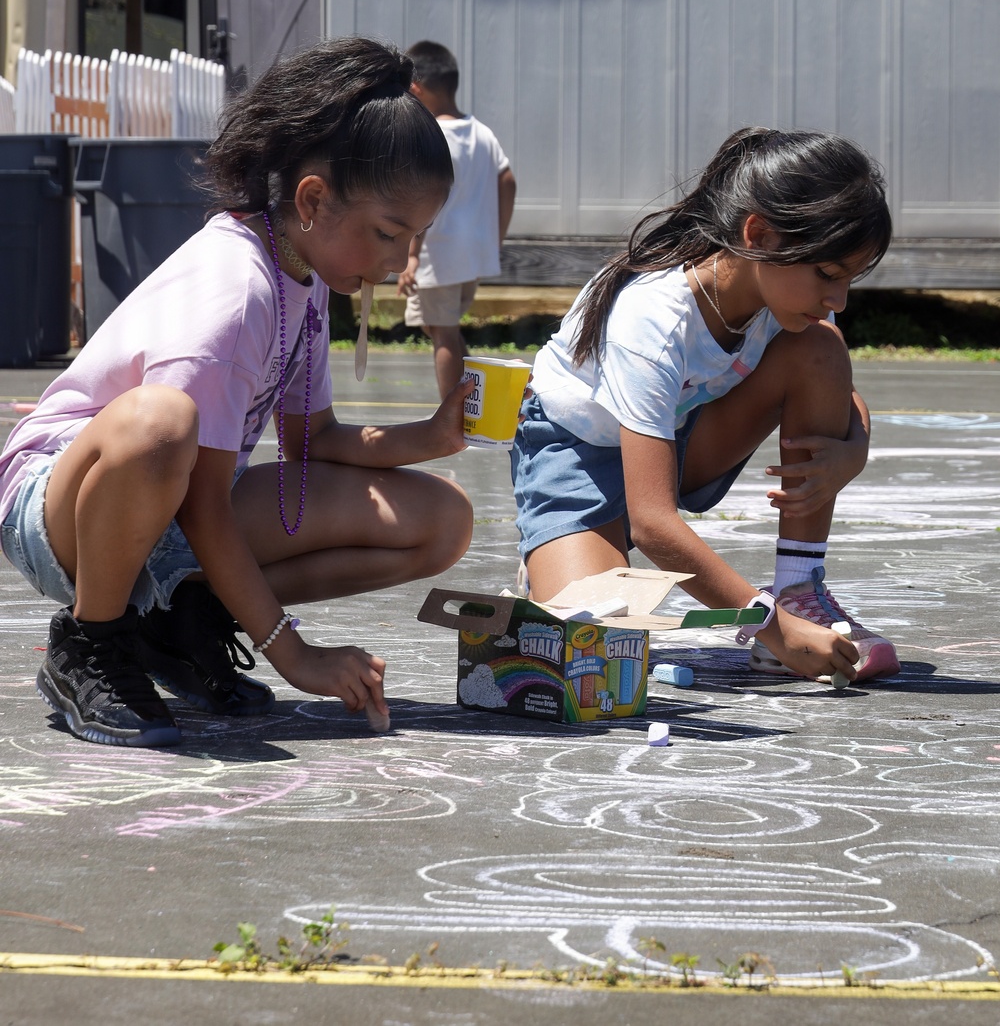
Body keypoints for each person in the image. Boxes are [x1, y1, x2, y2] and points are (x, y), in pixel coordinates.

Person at [0, 38, 475, 747]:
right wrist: (294, 653)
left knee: (442, 519)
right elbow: (203, 504)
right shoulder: (236, 292)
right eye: (386, 234)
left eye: (413, 239)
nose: (395, 262)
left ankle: (182, 620)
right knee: (161, 424)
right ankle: (92, 639)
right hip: (62, 504)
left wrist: (430, 438)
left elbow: (314, 443)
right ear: (312, 199)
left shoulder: (304, 277)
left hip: (176, 502)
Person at [512, 126, 899, 684]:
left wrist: (853, 453)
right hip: (576, 457)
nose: (838, 299)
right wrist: (772, 629)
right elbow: (653, 524)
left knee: (820, 349)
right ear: (759, 234)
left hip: (675, 440)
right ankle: (557, 554)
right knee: (592, 655)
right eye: (828, 275)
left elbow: (842, 390)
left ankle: (800, 588)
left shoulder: (790, 300)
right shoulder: (653, 314)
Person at [396, 40, 516, 399]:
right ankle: (473, 397)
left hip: (439, 252)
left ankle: (452, 415)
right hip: (473, 256)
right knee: (442, 326)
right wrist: (495, 237)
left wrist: (411, 254)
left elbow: (420, 196)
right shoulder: (482, 132)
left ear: (415, 89)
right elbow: (507, 180)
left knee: (443, 332)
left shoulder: (431, 137)